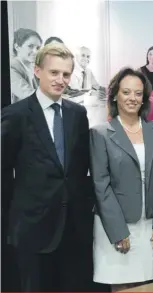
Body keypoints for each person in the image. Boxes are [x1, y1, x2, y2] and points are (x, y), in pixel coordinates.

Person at [2, 43, 93, 291]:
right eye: (54, 72)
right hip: (33, 229)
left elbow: (81, 167)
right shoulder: (15, 115)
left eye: (65, 74)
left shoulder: (78, 114)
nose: (60, 80)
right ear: (37, 71)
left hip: (73, 229)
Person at [89, 67, 153, 292]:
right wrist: (118, 229)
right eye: (126, 92)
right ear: (115, 95)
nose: (132, 98)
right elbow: (101, 185)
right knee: (122, 285)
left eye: (138, 93)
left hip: (151, 226)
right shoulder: (100, 133)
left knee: (148, 285)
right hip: (115, 225)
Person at [10, 28, 42, 103]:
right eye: (30, 46)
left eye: (38, 48)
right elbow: (29, 95)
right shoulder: (11, 68)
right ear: (17, 47)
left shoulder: (32, 66)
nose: (35, 51)